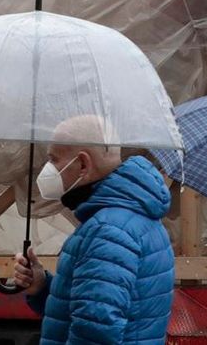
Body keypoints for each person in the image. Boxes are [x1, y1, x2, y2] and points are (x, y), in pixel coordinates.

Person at [10, 116, 174, 345]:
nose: (48, 169)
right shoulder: (133, 217)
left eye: (54, 159)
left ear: (83, 164)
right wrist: (41, 286)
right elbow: (89, 309)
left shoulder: (107, 231)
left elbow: (96, 330)